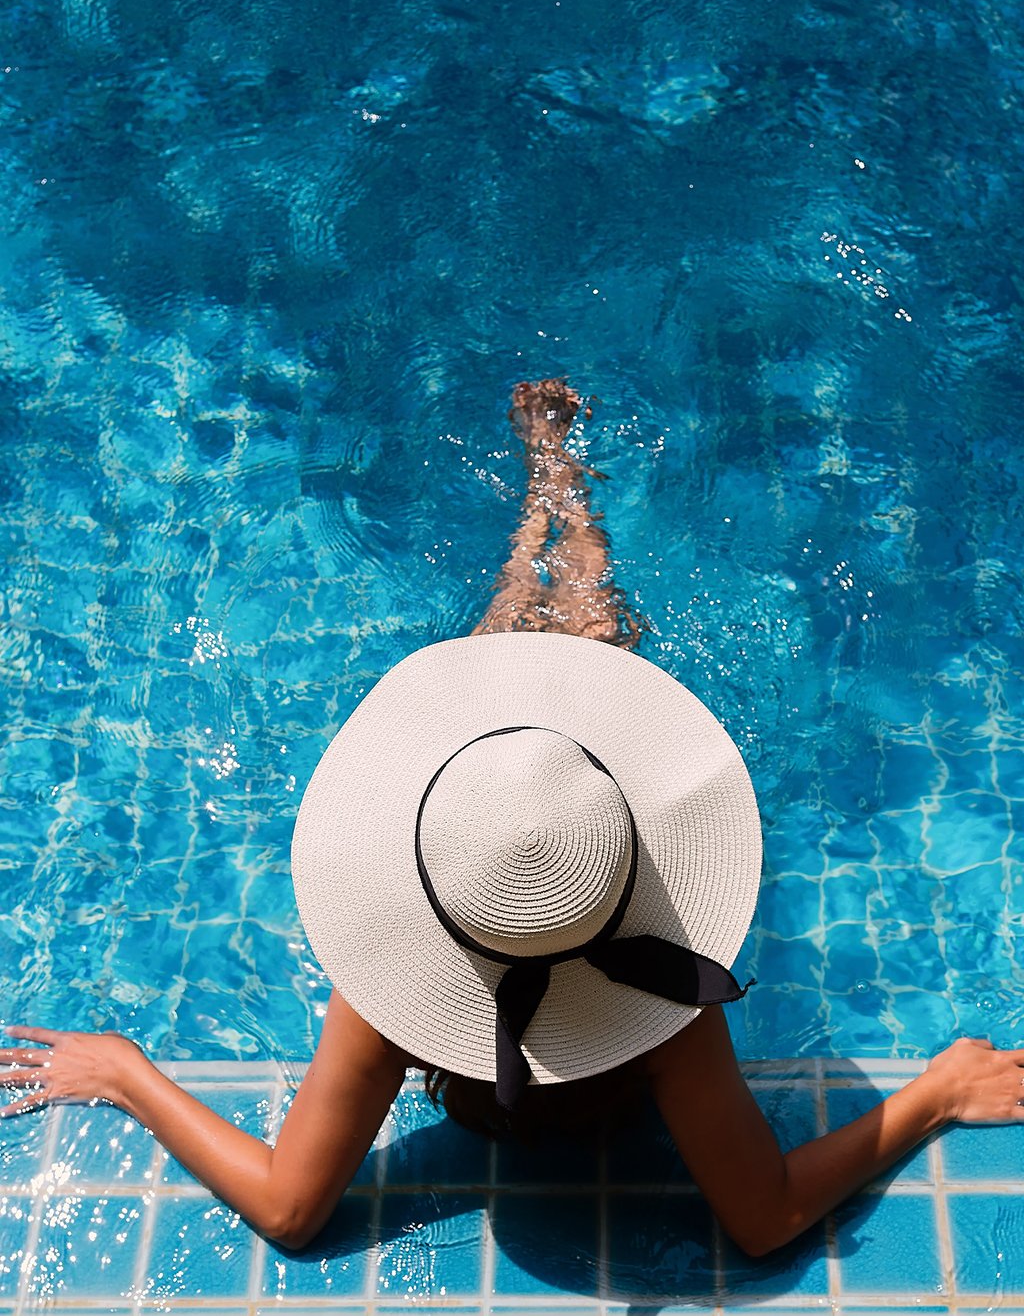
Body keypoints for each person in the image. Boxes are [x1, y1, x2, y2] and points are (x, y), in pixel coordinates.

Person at [3, 378, 1023, 1259]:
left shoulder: (386, 987)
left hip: (496, 901)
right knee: (589, 654)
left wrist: (130, 1073)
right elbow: (764, 1217)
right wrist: (931, 1092)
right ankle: (559, 494)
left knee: (506, 710)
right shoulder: (668, 985)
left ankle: (542, 500)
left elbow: (290, 1206)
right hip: (596, 920)